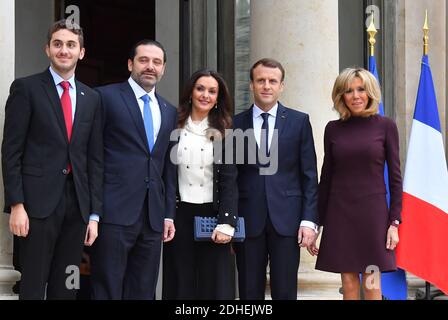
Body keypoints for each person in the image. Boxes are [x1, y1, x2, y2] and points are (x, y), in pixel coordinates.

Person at [1, 19, 103, 300]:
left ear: (81, 52)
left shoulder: (91, 98)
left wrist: (93, 215)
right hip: (36, 206)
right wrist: (17, 204)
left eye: (71, 45)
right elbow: (11, 151)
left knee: (67, 285)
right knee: (33, 284)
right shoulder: (26, 89)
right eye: (58, 44)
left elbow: (94, 160)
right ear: (47, 49)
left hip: (77, 208)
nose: (64, 50)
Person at [90, 39, 177, 300]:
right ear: (130, 64)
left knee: (143, 290)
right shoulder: (104, 97)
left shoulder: (169, 110)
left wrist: (168, 214)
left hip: (152, 218)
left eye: (157, 62)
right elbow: (93, 157)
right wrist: (94, 213)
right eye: (143, 60)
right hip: (113, 212)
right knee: (107, 288)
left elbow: (167, 167)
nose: (150, 67)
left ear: (163, 69)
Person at [233, 58, 319, 300]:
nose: (266, 86)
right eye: (261, 80)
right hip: (247, 220)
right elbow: (228, 178)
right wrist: (227, 219)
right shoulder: (234, 124)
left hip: (288, 220)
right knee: (249, 292)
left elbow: (310, 176)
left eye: (273, 81)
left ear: (282, 86)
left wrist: (309, 221)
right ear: (251, 84)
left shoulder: (299, 121)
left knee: (285, 291)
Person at [314, 67, 402, 300]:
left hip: (373, 216)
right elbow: (326, 178)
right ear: (341, 96)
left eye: (361, 89)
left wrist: (394, 222)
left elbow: (395, 178)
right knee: (349, 282)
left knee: (372, 282)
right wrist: (317, 224)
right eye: (349, 91)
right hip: (340, 214)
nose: (356, 96)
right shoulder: (333, 129)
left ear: (370, 92)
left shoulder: (386, 126)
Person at [162, 69, 238, 300]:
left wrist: (227, 221)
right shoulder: (173, 125)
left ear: (218, 98)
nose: (205, 95)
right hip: (179, 215)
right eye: (200, 88)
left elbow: (229, 180)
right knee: (180, 283)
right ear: (191, 92)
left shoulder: (226, 131)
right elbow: (165, 174)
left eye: (212, 91)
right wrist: (166, 215)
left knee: (214, 286)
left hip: (213, 217)